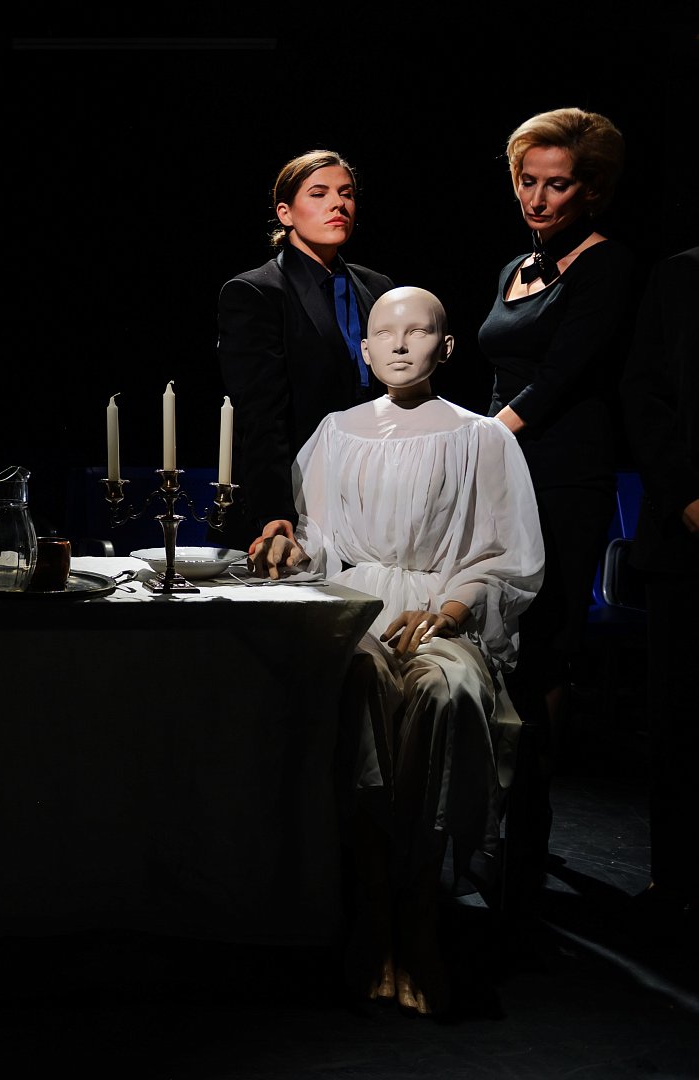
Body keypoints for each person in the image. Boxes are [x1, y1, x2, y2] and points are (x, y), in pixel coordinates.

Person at [257, 286, 544, 1014]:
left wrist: (452, 607)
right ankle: (373, 904)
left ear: (446, 348)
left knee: (447, 694)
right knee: (356, 681)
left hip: (437, 609)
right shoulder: (335, 432)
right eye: (384, 332)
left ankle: (419, 906)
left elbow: (505, 553)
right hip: (353, 605)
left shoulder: (481, 437)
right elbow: (320, 539)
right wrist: (292, 549)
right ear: (363, 348)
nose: (399, 343)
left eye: (418, 331)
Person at [477, 107, 639, 831]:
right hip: (503, 466)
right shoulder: (515, 267)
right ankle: (492, 803)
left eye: (557, 184)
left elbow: (559, 379)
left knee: (546, 639)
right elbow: (502, 378)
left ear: (592, 189)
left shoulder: (607, 264)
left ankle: (530, 823)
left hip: (563, 472)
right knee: (497, 631)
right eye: (527, 181)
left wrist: (480, 442)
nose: (536, 199)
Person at [217, 149, 394, 563]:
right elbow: (261, 415)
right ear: (286, 213)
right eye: (319, 193)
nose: (338, 204)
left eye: (346, 193)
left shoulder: (378, 287)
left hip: (373, 493)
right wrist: (274, 511)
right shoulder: (257, 292)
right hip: (299, 495)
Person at [619, 245, 699, 923]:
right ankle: (672, 881)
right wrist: (685, 496)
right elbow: (644, 393)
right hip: (684, 533)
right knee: (678, 715)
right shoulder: (679, 274)